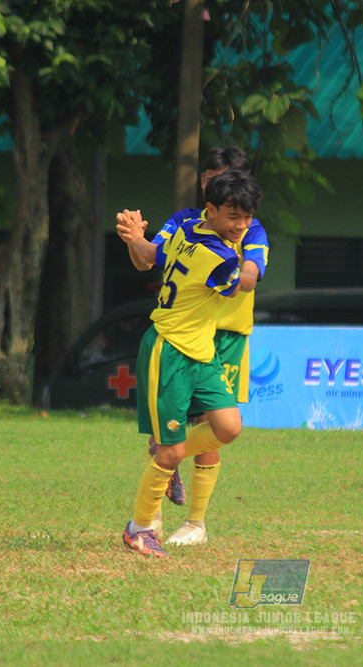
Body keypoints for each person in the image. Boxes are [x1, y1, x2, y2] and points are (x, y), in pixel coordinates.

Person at [118, 146, 269, 548]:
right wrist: (139, 242)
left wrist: (139, 238)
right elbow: (244, 279)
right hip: (171, 350)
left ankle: (179, 481)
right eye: (233, 216)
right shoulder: (215, 251)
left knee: (226, 428)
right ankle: (140, 528)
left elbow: (156, 255)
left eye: (245, 216)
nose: (241, 225)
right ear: (211, 206)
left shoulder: (188, 227)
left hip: (208, 345)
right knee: (171, 451)